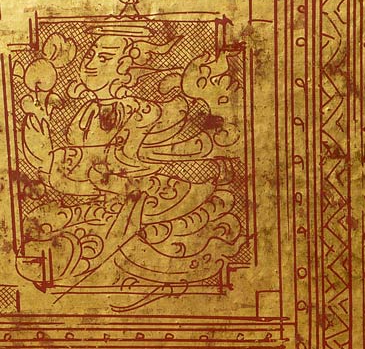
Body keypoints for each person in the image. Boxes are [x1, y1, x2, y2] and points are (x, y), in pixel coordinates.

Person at [18, 24, 245, 297]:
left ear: (124, 67)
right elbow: (75, 166)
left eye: (104, 58)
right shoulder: (87, 112)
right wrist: (40, 124)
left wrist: (77, 173)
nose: (90, 63)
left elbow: (126, 166)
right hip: (100, 198)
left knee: (87, 241)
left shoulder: (138, 111)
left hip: (139, 197)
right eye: (91, 54)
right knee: (38, 227)